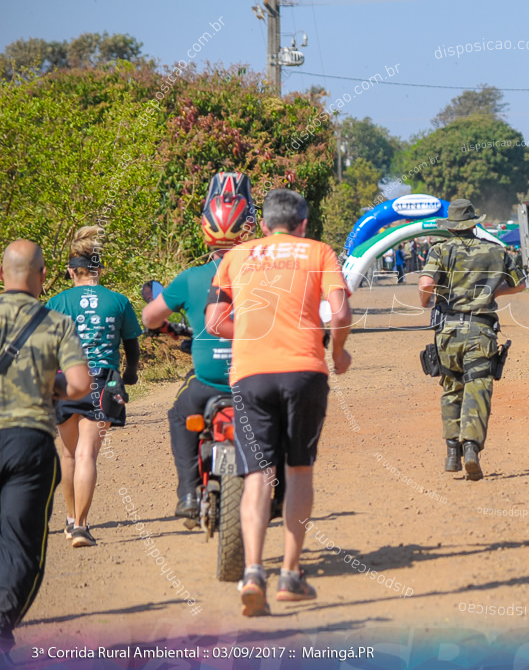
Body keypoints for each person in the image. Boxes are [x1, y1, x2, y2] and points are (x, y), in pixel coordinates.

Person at [207, 188, 352, 616]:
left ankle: (253, 573)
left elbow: (214, 321)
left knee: (257, 475)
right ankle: (290, 573)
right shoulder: (319, 252)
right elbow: (340, 315)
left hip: (250, 375)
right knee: (298, 469)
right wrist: (338, 351)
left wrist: (256, 332)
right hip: (304, 371)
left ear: (265, 225)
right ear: (303, 223)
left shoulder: (236, 257)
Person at [142, 171, 254, 521]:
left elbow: (148, 317)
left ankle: (189, 492)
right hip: (252, 381)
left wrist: (165, 326)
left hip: (206, 384)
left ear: (205, 229)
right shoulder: (263, 273)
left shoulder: (189, 278)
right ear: (248, 228)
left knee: (178, 414)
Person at [0, 240, 90, 656]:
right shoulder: (56, 323)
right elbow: (78, 385)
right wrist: (47, 383)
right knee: (23, 547)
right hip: (28, 444)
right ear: (43, 277)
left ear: (2, 275)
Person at [46, 226, 142, 548]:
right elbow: (131, 344)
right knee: (87, 453)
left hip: (65, 379)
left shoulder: (57, 301)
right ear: (99, 269)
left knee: (68, 452)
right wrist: (130, 374)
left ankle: (71, 519)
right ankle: (81, 529)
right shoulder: (118, 301)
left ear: (72, 270)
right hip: (102, 380)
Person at [418, 199, 525, 480]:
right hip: (480, 331)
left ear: (451, 227)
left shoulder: (439, 250)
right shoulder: (496, 250)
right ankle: (471, 450)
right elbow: (521, 283)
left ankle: (452, 452)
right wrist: (491, 294)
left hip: (448, 333)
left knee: (452, 387)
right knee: (477, 389)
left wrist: (426, 301)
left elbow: (426, 284)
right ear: (474, 223)